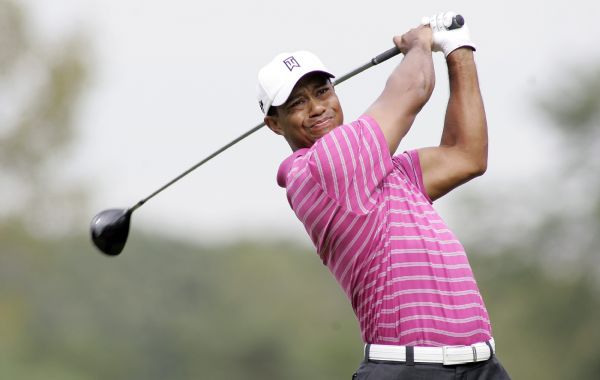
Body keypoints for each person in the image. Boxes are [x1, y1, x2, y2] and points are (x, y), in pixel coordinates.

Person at [256, 11, 511, 379]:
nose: (316, 108)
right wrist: (419, 44)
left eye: (322, 91)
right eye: (296, 103)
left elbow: (466, 154)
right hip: (406, 369)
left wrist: (459, 49)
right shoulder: (320, 169)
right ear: (274, 124)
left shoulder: (385, 171)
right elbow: (411, 90)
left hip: (481, 366)